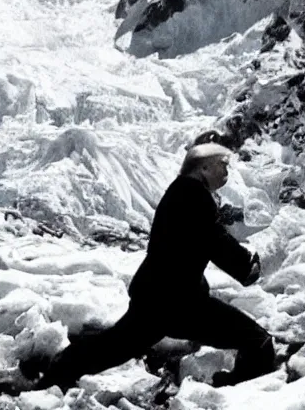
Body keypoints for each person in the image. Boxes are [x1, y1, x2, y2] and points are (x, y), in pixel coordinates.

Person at [36, 142, 276, 390]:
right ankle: (238, 396)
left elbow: (202, 230)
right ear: (203, 168)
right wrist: (250, 266)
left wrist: (230, 218)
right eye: (222, 165)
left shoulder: (183, 191)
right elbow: (215, 240)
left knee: (112, 347)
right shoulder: (195, 197)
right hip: (177, 302)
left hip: (158, 297)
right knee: (258, 342)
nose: (227, 172)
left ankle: (54, 374)